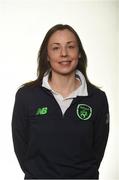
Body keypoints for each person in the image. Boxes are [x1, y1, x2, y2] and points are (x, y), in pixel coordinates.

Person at [12, 24, 109, 179]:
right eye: (56, 48)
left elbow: (97, 151)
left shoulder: (97, 99)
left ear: (79, 54)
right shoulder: (26, 96)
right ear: (46, 56)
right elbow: (21, 147)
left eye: (70, 47)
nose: (64, 53)